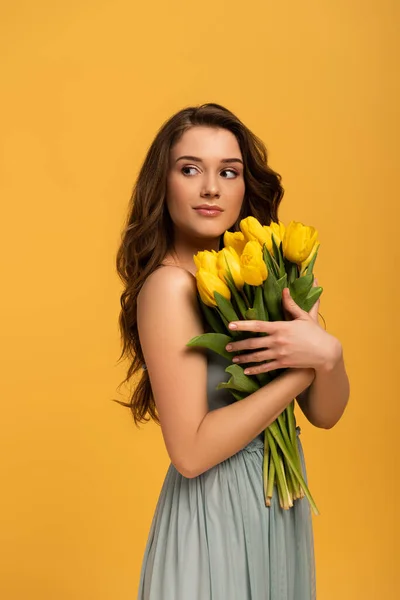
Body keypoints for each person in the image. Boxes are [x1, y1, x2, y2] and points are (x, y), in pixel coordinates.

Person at [114, 103, 350, 599]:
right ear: (164, 183)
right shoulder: (168, 287)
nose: (211, 188)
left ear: (246, 186)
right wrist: (299, 373)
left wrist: (328, 357)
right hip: (215, 509)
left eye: (229, 171)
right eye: (190, 169)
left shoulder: (259, 274)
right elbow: (192, 453)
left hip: (277, 508)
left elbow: (325, 415)